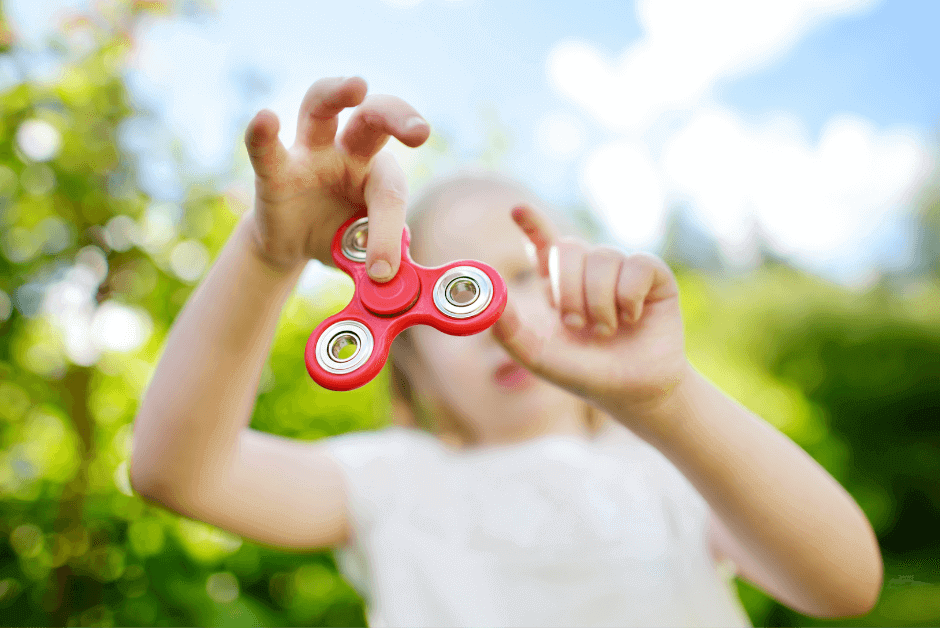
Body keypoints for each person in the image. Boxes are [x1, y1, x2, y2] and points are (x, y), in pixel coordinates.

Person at [129, 77, 883, 628]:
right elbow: (176, 473)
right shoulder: (390, 481)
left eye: (523, 274)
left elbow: (845, 585)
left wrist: (667, 402)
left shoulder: (668, 465)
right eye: (452, 294)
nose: (493, 315)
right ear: (409, 362)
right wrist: (270, 252)